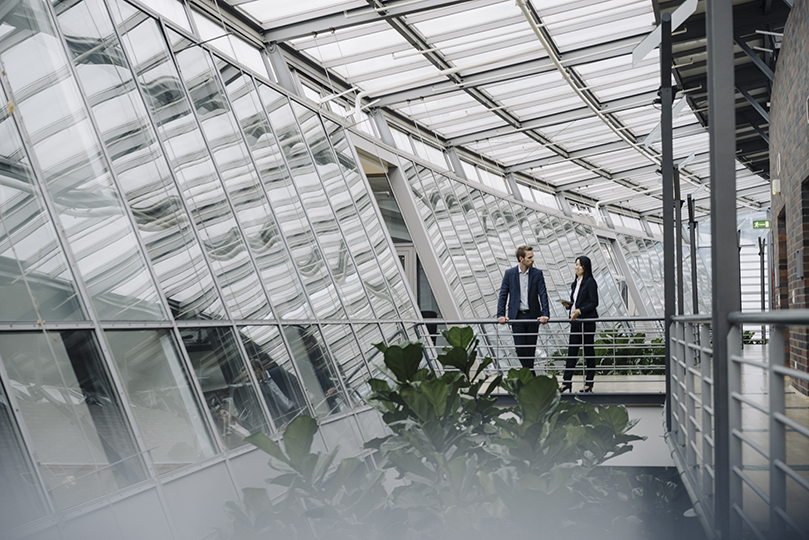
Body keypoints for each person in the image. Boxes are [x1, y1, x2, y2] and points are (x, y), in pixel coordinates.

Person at [497, 246, 550, 375]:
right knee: (520, 349)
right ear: (521, 259)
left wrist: (545, 314)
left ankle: (529, 377)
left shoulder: (537, 273)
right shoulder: (510, 274)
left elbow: (543, 294)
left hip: (533, 316)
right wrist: (500, 315)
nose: (533, 260)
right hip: (517, 317)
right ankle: (531, 374)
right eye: (529, 257)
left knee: (531, 350)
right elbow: (503, 294)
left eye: (533, 257)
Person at [560, 256, 599, 393]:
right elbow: (577, 302)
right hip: (576, 322)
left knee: (588, 351)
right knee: (572, 351)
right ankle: (566, 382)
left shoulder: (590, 282)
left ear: (585, 267)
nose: (577, 267)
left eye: (580, 265)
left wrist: (580, 311)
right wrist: (569, 306)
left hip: (587, 322)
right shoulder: (575, 283)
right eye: (576, 264)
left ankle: (589, 383)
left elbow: (594, 303)